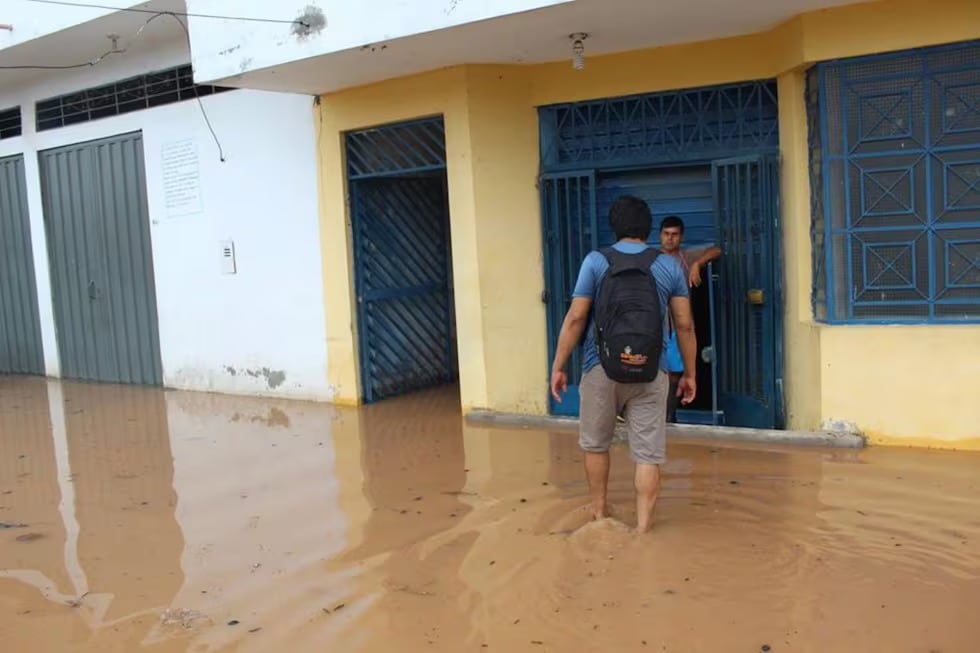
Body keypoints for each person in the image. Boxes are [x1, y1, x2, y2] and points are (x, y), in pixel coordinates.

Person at [549, 196, 697, 534]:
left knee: (596, 443)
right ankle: (643, 530)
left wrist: (558, 365)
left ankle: (600, 516)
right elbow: (685, 325)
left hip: (599, 366)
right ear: (648, 229)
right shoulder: (668, 266)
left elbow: (575, 318)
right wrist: (689, 373)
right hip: (651, 370)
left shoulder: (596, 262)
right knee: (647, 454)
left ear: (614, 226)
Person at [658, 215, 722, 422]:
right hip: (655, 325)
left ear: (681, 236)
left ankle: (668, 416)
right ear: (660, 236)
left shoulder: (687, 257)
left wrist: (698, 265)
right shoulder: (651, 258)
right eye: (666, 234)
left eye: (674, 235)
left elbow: (717, 250)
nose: (670, 239)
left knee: (676, 373)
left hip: (680, 326)